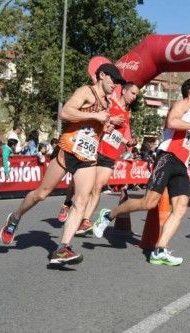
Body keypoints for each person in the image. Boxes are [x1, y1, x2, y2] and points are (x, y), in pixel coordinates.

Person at [0, 63, 125, 265]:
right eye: (114, 80)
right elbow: (65, 113)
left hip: (88, 156)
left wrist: (106, 128)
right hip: (67, 149)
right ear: (102, 75)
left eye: (118, 83)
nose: (116, 85)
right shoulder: (86, 91)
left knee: (81, 200)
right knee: (42, 193)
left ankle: (62, 248)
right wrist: (94, 115)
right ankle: (15, 217)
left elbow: (93, 130)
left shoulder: (108, 104)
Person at [93, 78, 190, 266]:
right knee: (149, 203)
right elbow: (171, 122)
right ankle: (108, 215)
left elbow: (181, 137)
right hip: (167, 159)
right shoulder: (181, 105)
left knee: (180, 209)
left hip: (181, 164)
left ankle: (160, 250)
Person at [56, 82, 139, 235]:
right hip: (95, 148)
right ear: (125, 91)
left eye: (136, 95)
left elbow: (117, 135)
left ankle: (85, 221)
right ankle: (68, 202)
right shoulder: (109, 103)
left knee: (97, 187)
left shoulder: (128, 114)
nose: (134, 97)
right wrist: (111, 120)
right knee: (78, 183)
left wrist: (128, 142)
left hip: (110, 154)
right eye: (133, 93)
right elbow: (97, 120)